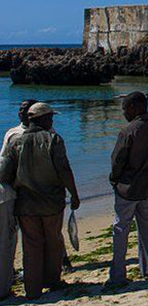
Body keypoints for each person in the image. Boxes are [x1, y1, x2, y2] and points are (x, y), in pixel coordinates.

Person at [0, 102, 79, 300]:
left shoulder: (15, 141)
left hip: (25, 204)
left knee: (31, 245)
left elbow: (3, 175)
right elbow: (64, 170)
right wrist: (74, 194)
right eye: (50, 117)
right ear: (40, 119)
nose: (52, 120)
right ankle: (52, 281)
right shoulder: (54, 139)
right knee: (53, 242)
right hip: (51, 202)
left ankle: (32, 289)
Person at [108, 92, 148, 286]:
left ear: (135, 107)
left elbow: (117, 160)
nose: (124, 112)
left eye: (125, 108)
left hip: (128, 188)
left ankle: (118, 275)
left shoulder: (128, 131)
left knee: (121, 230)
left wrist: (114, 180)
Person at [0, 99, 38, 299]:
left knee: (30, 237)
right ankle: (7, 280)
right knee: (8, 239)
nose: (21, 113)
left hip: (29, 195)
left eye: (26, 110)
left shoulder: (41, 135)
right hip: (12, 193)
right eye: (20, 110)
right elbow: (4, 164)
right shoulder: (12, 134)